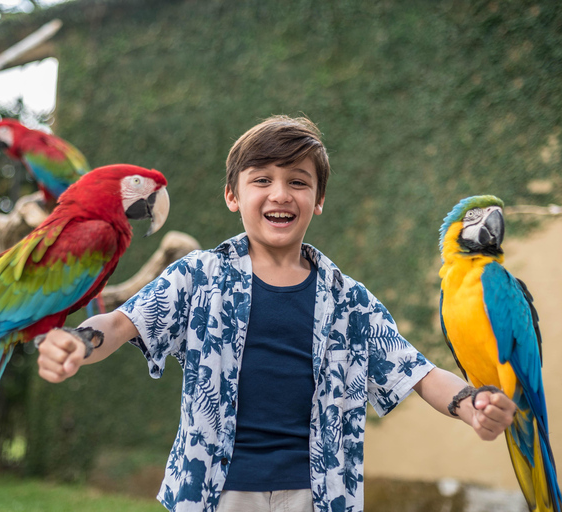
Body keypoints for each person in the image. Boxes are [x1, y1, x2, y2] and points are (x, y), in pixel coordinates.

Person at [36, 115, 516, 512]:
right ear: (233, 196)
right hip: (213, 494)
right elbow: (120, 324)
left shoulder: (351, 301)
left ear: (318, 200)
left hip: (320, 495)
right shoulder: (196, 277)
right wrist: (77, 341)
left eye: (298, 182)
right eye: (261, 180)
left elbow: (419, 372)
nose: (280, 193)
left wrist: (470, 403)